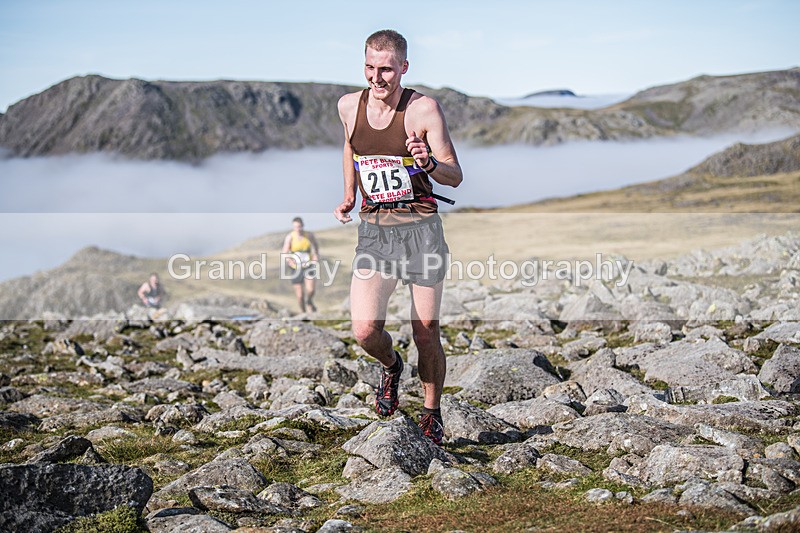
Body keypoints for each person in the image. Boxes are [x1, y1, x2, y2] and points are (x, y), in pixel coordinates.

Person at [334, 30, 463, 444]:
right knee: (364, 330)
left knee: (426, 330)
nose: (377, 77)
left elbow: (455, 176)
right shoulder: (347, 106)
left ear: (403, 68)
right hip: (375, 232)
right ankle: (391, 366)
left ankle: (431, 412)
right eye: (370, 67)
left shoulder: (424, 110)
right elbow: (350, 149)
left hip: (421, 231)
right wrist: (350, 194)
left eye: (386, 69)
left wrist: (427, 164)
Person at [282, 217, 320, 313]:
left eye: (299, 226)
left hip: (308, 264)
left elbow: (315, 246)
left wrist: (315, 255)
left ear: (302, 226)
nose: (297, 229)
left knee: (311, 289)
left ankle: (309, 301)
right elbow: (285, 252)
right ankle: (303, 313)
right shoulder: (290, 237)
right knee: (299, 295)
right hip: (296, 267)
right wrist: (289, 260)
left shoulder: (309, 235)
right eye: (295, 227)